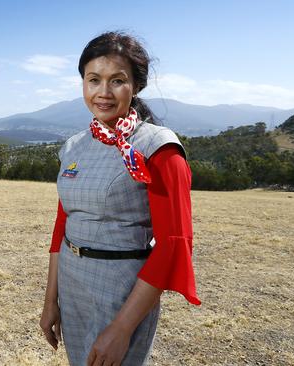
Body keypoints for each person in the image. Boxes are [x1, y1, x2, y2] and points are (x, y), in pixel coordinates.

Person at [39, 31, 201, 366]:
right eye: (93, 79)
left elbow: (173, 245)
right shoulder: (74, 146)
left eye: (117, 81)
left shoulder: (158, 148)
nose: (103, 92)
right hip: (72, 284)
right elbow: (62, 226)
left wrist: (123, 328)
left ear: (136, 86)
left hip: (122, 290)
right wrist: (50, 300)